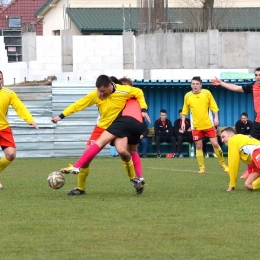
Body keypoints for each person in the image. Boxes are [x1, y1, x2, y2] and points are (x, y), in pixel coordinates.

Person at [52, 75, 150, 195]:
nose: (100, 94)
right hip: (101, 128)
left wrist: (143, 109)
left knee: (123, 151)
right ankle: (80, 188)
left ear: (110, 86)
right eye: (99, 91)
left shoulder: (123, 91)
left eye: (103, 91)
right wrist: (61, 116)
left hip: (119, 127)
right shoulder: (96, 94)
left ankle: (135, 179)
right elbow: (79, 104)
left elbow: (139, 93)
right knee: (86, 159)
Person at [211, 69, 260, 179]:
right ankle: (250, 171)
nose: (258, 77)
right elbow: (237, 88)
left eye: (259, 75)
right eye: (256, 75)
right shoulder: (253, 86)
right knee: (250, 147)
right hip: (258, 123)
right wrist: (222, 83)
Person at [181, 76, 229, 174]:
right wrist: (182, 122)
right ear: (191, 85)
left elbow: (214, 106)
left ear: (200, 85)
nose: (195, 86)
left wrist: (216, 117)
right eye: (193, 84)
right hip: (196, 126)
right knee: (199, 146)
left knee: (215, 144)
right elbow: (185, 111)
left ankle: (223, 164)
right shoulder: (187, 96)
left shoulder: (207, 93)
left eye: (197, 84)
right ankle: (202, 167)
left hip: (208, 125)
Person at [0, 71, 39, 188]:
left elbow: (19, 107)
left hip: (3, 128)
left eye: (0, 78)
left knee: (11, 154)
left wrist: (29, 119)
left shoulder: (8, 93)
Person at [220, 127, 260, 192]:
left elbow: (233, 163)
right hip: (256, 163)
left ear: (231, 134)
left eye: (223, 137)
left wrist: (232, 185)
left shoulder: (232, 140)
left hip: (258, 153)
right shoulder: (241, 139)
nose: (222, 140)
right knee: (248, 184)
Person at [235, 112, 253, 178]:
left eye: (244, 118)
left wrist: (249, 136)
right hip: (241, 140)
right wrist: (246, 136)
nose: (243, 119)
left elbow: (252, 132)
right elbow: (238, 132)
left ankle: (250, 171)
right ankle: (249, 171)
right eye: (242, 118)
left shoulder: (250, 123)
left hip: (249, 140)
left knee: (249, 155)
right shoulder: (238, 123)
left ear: (247, 118)